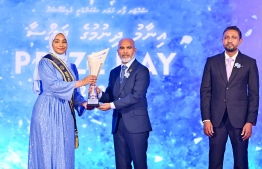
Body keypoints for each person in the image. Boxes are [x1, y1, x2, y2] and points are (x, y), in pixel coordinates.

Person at [28, 30, 97, 168]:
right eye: (57, 41)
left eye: (64, 41)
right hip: (46, 110)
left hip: (65, 112)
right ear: (51, 43)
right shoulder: (45, 63)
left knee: (64, 152)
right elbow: (53, 85)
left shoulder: (72, 67)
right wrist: (82, 82)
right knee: (46, 152)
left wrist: (83, 103)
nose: (61, 44)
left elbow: (75, 93)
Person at [200, 26, 259, 169]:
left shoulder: (249, 63)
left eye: (233, 37)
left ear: (240, 41)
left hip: (240, 121)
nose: (229, 40)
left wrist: (250, 121)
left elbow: (254, 94)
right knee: (214, 161)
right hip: (215, 121)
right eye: (226, 37)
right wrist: (206, 119)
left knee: (241, 162)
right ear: (222, 41)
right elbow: (205, 91)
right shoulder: (212, 62)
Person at [96, 37, 152, 169]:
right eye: (122, 48)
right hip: (118, 125)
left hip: (137, 126)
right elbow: (110, 95)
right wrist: (98, 93)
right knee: (121, 165)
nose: (125, 51)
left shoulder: (142, 70)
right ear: (117, 51)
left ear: (134, 50)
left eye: (128, 48)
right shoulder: (114, 72)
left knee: (139, 164)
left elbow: (136, 96)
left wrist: (111, 106)